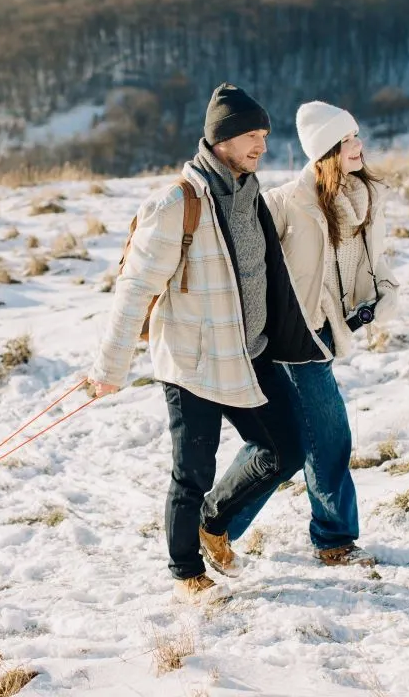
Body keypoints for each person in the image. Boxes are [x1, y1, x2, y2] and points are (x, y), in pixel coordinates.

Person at [87, 83, 330, 604]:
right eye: (249, 135)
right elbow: (134, 289)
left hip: (249, 353)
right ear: (219, 139)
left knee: (284, 448)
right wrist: (110, 367)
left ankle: (214, 522)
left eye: (264, 134)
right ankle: (185, 571)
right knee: (192, 471)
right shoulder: (178, 203)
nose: (261, 144)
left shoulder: (251, 194)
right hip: (192, 362)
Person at [224, 100, 399, 566]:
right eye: (348, 140)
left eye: (357, 136)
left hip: (325, 336)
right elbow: (250, 269)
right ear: (326, 150)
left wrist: (384, 291)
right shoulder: (285, 203)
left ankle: (216, 525)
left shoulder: (364, 198)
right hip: (288, 341)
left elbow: (373, 260)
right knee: (327, 438)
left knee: (291, 445)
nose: (359, 145)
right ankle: (332, 538)